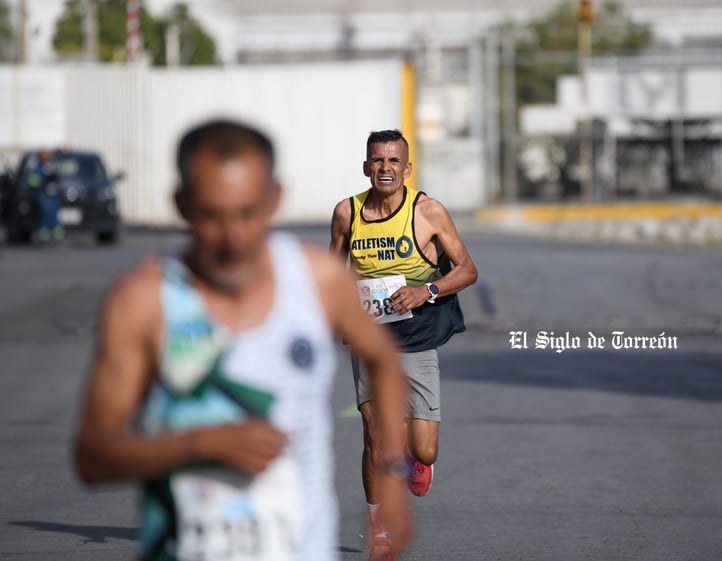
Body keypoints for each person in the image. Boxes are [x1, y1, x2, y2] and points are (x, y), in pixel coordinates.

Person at [73, 119, 412, 561]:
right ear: (182, 205)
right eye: (213, 216)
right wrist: (198, 446)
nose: (233, 238)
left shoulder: (317, 280)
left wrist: (394, 482)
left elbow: (383, 360)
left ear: (275, 200)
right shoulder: (144, 301)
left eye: (249, 213)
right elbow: (92, 455)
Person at [329, 129, 478, 559]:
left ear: (407, 169)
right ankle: (378, 530)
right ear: (366, 167)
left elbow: (467, 270)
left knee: (423, 448)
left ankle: (417, 459)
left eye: (394, 162)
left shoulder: (428, 212)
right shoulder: (347, 213)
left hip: (417, 339)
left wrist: (426, 291)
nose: (385, 169)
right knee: (375, 436)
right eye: (377, 161)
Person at [28, 149, 64, 243]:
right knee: (44, 216)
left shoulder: (52, 167)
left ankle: (57, 235)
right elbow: (32, 182)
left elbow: (57, 179)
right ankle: (44, 236)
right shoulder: (38, 169)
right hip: (42, 195)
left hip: (52, 196)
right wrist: (42, 177)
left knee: (53, 216)